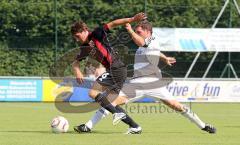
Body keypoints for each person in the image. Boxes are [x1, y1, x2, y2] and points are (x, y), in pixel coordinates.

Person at [76, 20, 217, 134]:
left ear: (148, 32)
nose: (136, 34)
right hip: (139, 82)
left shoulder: (149, 40)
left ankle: (203, 125)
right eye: (136, 31)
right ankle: (88, 126)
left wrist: (130, 30)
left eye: (139, 31)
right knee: (111, 102)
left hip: (153, 82)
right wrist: (164, 58)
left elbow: (143, 43)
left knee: (176, 106)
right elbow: (152, 50)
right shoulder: (145, 45)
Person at [71, 13, 146, 134]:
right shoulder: (85, 47)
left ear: (84, 30)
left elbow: (113, 23)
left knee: (93, 92)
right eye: (75, 37)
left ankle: (117, 114)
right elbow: (75, 62)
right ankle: (135, 127)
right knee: (109, 103)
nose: (77, 39)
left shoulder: (96, 34)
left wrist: (132, 19)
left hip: (115, 68)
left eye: (78, 36)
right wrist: (78, 71)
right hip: (118, 70)